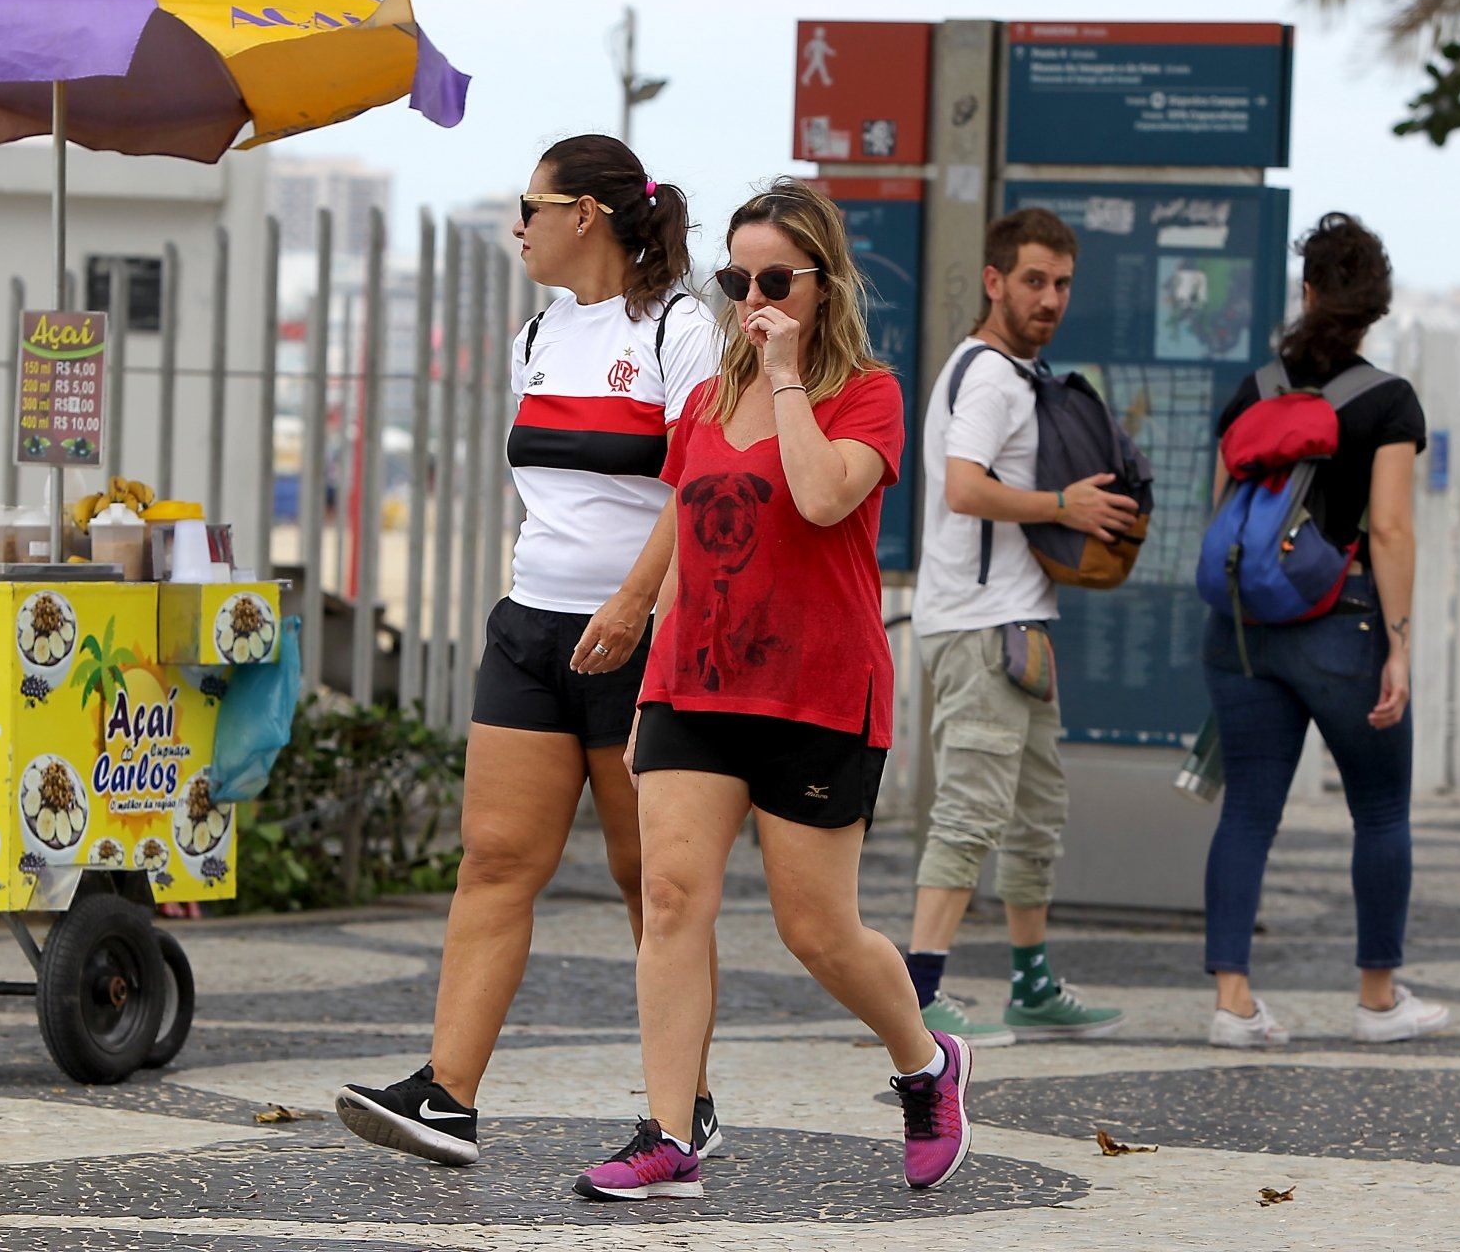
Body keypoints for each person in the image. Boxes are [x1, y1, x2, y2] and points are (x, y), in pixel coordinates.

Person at [572, 178, 970, 1203]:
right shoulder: (707, 401)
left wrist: (788, 376)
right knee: (670, 898)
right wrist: (641, 662)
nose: (753, 299)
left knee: (816, 930)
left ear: (822, 284)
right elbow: (683, 534)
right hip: (695, 687)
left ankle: (926, 1064)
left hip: (818, 691)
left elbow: (823, 495)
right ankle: (669, 1132)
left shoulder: (867, 394)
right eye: (736, 280)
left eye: (776, 280)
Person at [334, 134, 724, 1165]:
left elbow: (700, 489)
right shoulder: (538, 333)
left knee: (653, 881)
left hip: (641, 636)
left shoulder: (681, 330)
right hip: (530, 627)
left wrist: (634, 604)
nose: (519, 227)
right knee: (497, 859)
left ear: (584, 214)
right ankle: (447, 1096)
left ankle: (683, 1104)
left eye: (531, 206)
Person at [1202, 212, 1446, 1047]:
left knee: (1248, 811)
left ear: (1306, 291)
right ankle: (1378, 1000)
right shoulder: (1389, 401)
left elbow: (1222, 512)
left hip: (1241, 632)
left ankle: (1233, 1003)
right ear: (1374, 307)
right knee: (1379, 811)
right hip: (1343, 629)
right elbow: (1391, 529)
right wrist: (1399, 645)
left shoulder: (1254, 390)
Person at [903, 208, 1131, 1048]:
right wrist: (1063, 504)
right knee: (970, 812)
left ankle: (1032, 985)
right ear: (995, 281)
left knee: (1037, 812)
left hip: (1017, 623)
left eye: (1063, 283)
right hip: (979, 628)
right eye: (1034, 280)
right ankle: (918, 995)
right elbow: (964, 487)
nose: (1051, 299)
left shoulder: (1012, 374)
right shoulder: (992, 378)